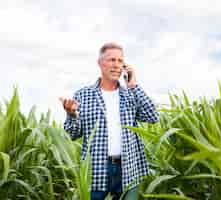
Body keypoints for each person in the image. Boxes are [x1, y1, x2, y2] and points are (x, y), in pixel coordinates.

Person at [59, 42, 159, 200]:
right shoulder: (83, 95)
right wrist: (71, 115)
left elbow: (153, 116)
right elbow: (73, 134)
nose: (116, 65)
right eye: (111, 60)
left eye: (120, 61)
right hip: (96, 169)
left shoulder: (130, 94)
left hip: (128, 168)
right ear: (99, 63)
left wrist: (133, 85)